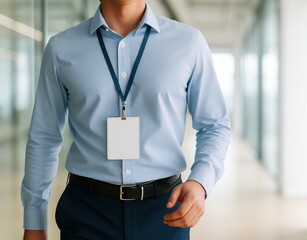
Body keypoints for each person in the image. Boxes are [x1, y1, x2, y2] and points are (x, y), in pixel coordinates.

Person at [21, 0, 231, 239]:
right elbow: (44, 138)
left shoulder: (189, 43)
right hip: (87, 213)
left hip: (164, 212)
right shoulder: (61, 48)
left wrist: (200, 182)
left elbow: (215, 125)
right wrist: (34, 221)